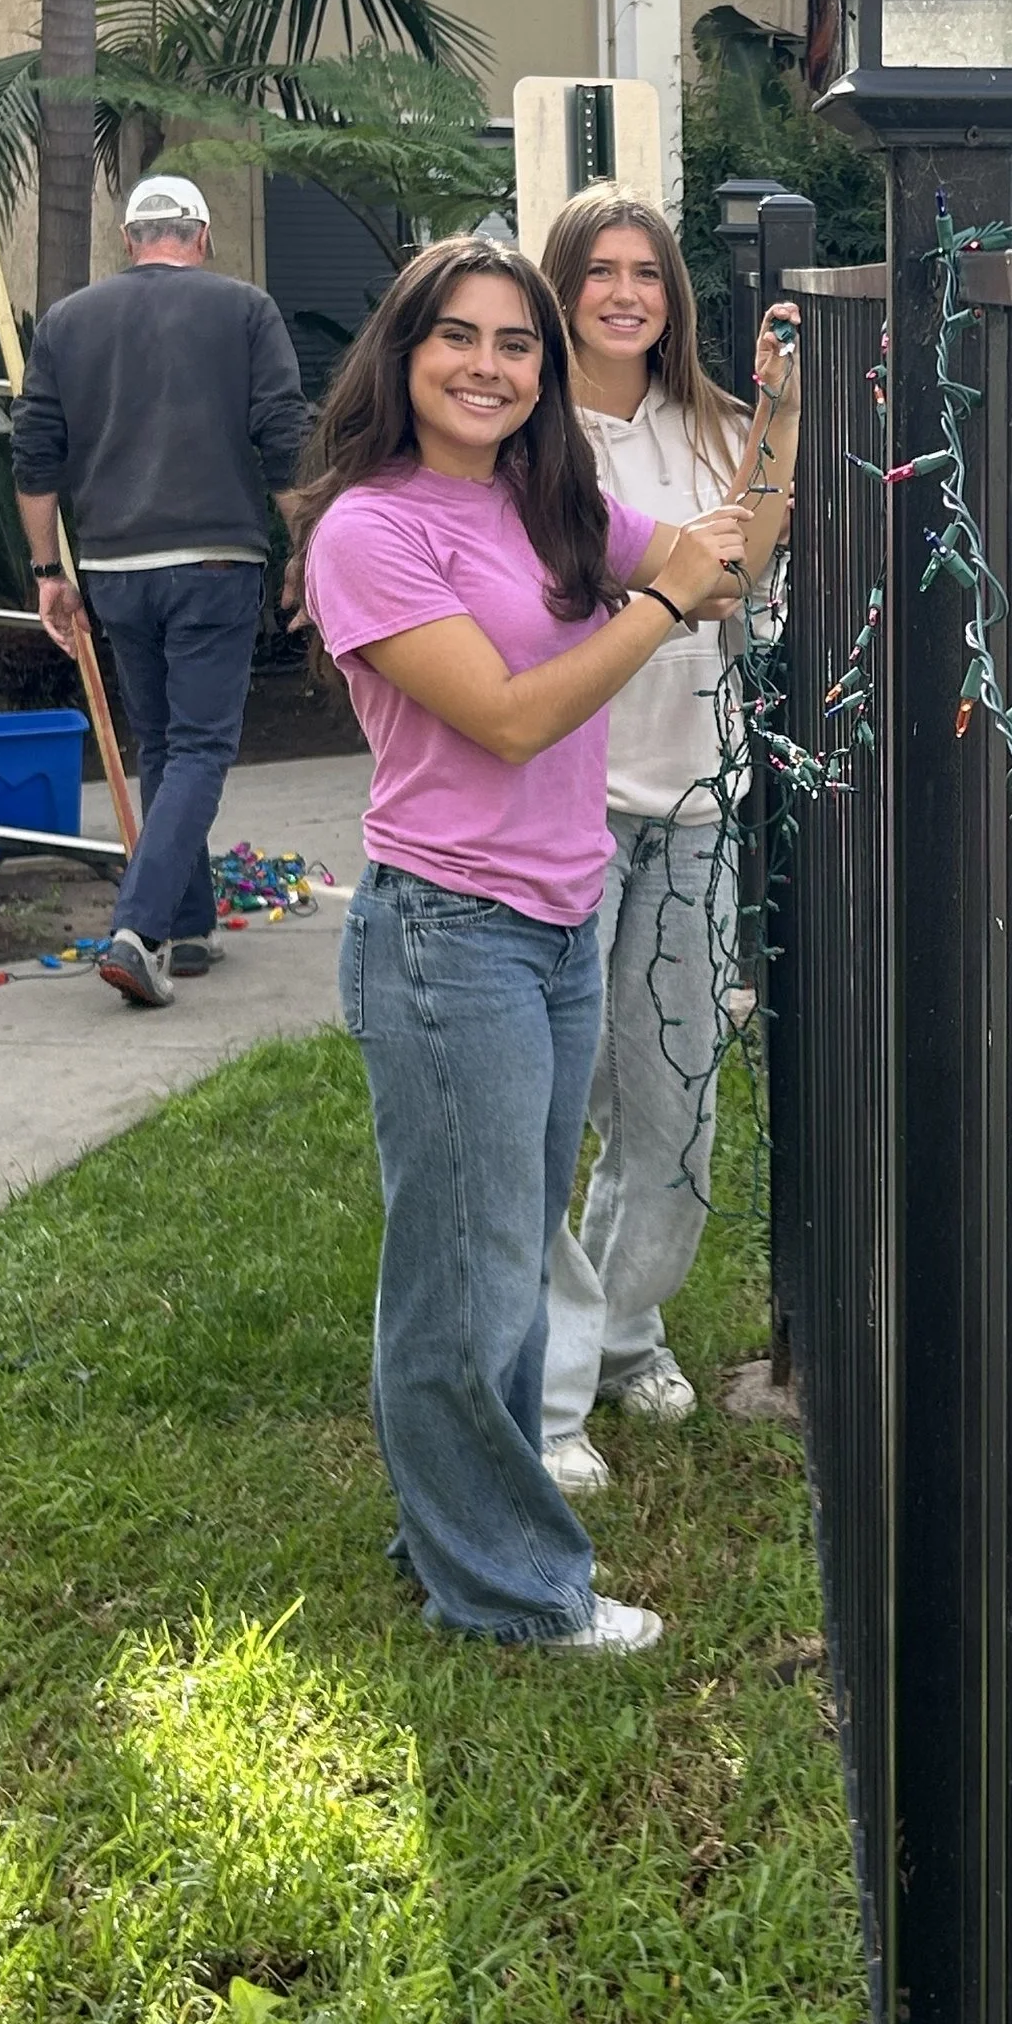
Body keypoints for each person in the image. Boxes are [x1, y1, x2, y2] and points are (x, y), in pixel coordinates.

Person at [288, 236, 751, 1653]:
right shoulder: (370, 527)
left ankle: (453, 1528)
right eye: (458, 339)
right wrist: (658, 604)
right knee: (467, 1274)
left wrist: (743, 479)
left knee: (495, 1263)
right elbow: (507, 715)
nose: (489, 367)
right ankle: (511, 1588)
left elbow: (713, 566)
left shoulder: (544, 503)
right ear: (403, 353)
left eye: (517, 344)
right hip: (450, 937)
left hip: (558, 923)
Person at [534, 193, 801, 1493]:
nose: (626, 293)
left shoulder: (706, 424)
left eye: (647, 272)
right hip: (564, 812)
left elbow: (750, 578)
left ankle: (622, 1330)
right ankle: (556, 1369)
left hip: (695, 806)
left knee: (674, 1118)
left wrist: (782, 428)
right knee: (556, 1108)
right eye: (601, 271)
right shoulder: (526, 435)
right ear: (564, 286)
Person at [13, 171, 310, 1010]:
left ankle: (189, 928)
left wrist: (48, 573)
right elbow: (283, 440)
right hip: (216, 558)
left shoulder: (68, 321)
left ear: (128, 240)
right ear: (204, 237)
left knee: (162, 747)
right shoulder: (246, 309)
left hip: (112, 568)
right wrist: (305, 552)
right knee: (202, 748)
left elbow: (35, 456)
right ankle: (139, 931)